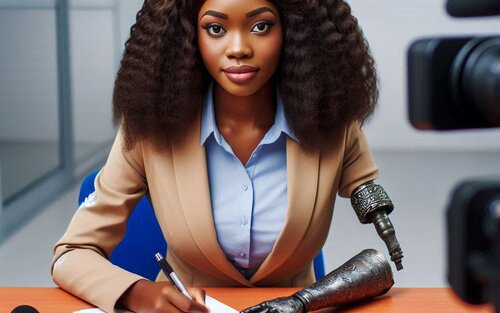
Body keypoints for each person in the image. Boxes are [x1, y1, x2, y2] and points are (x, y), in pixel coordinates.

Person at [51, 0, 391, 312]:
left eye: (261, 26)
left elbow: (366, 189)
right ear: (187, 36)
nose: (239, 49)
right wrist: (138, 293)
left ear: (295, 30)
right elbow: (72, 254)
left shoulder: (334, 124)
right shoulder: (148, 129)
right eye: (216, 29)